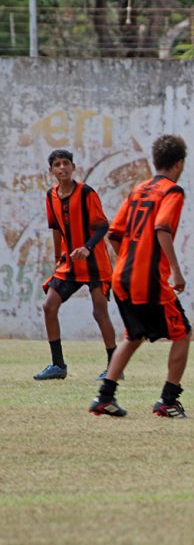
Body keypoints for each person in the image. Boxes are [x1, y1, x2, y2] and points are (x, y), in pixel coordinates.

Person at [89, 134, 191, 418]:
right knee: (182, 334)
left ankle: (104, 398)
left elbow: (114, 234)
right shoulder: (172, 191)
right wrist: (177, 273)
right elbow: (162, 229)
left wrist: (130, 258)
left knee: (134, 336)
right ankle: (168, 401)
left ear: (155, 160)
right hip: (148, 281)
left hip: (122, 277)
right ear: (179, 163)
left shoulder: (138, 190)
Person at [34, 149, 118, 381]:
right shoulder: (51, 196)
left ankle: (113, 367)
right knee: (49, 306)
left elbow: (102, 226)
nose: (62, 167)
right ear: (51, 170)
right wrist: (57, 257)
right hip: (69, 264)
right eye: (57, 164)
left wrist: (87, 247)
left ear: (73, 167)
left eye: (66, 163)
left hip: (94, 264)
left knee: (99, 312)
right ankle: (58, 365)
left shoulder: (86, 193)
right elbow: (56, 228)